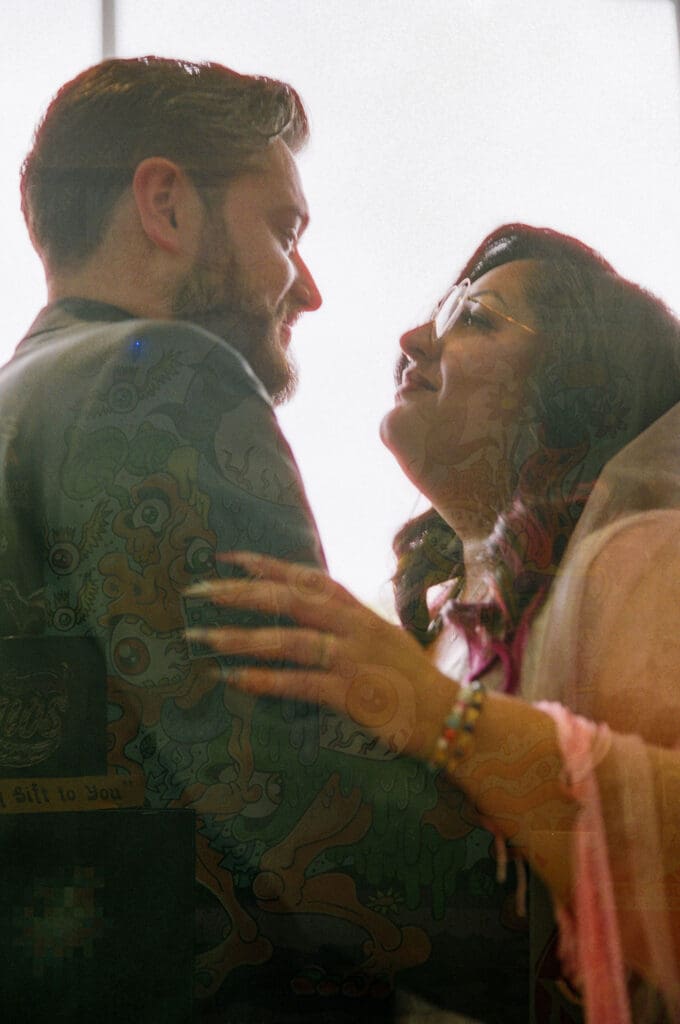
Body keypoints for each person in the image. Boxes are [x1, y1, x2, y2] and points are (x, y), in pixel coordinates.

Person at [0, 60, 531, 1024]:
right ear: (165, 204)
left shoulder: (22, 401)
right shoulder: (155, 376)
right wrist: (563, 913)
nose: (310, 288)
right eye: (284, 228)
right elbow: (305, 804)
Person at [187, 224, 680, 1023]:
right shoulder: (439, 627)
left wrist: (435, 713)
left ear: (578, 387)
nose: (412, 339)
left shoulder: (644, 562)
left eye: (476, 319)